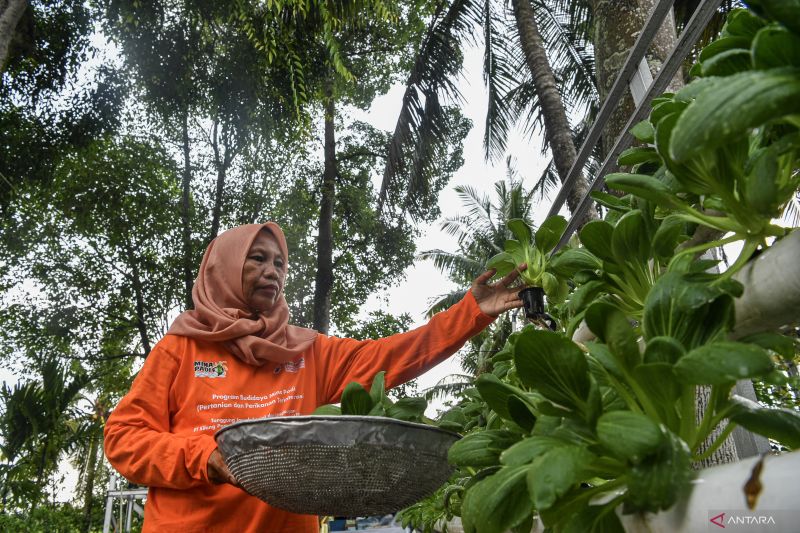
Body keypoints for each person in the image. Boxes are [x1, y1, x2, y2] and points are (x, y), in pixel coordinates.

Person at [104, 222, 526, 532]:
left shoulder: (306, 351)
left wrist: (472, 313)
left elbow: (390, 356)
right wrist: (207, 459)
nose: (274, 271)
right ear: (224, 267)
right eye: (258, 258)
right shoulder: (181, 348)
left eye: (280, 263)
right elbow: (124, 438)